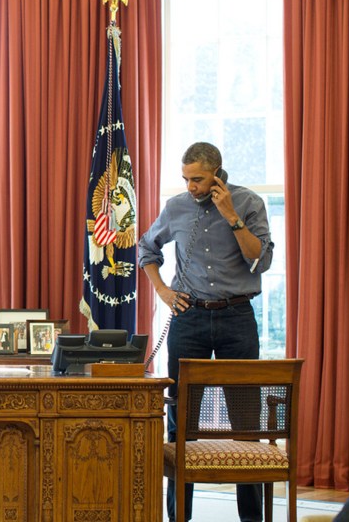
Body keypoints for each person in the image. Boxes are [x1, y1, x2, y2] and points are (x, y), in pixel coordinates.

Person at [138, 142, 274, 522]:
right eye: (186, 179)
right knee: (181, 423)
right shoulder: (177, 207)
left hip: (237, 318)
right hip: (190, 319)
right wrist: (163, 291)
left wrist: (231, 215)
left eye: (197, 179)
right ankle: (179, 517)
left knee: (246, 422)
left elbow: (260, 260)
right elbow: (146, 248)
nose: (191, 187)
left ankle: (252, 518)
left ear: (217, 173)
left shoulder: (248, 203)